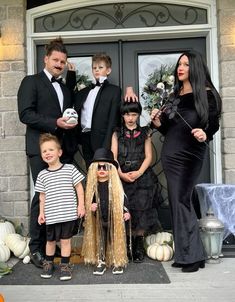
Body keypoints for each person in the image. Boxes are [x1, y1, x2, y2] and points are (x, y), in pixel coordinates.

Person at [151, 50, 222, 272]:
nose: (180, 68)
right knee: (178, 200)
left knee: (182, 199)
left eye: (186, 64)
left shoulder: (207, 93)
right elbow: (169, 128)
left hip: (191, 153)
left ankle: (191, 255)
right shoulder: (174, 96)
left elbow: (213, 124)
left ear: (196, 67)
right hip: (171, 152)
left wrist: (205, 133)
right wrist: (157, 123)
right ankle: (189, 255)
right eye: (179, 64)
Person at [17, 37, 77, 268]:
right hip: (39, 150)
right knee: (41, 197)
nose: (59, 64)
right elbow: (25, 114)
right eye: (56, 60)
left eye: (63, 61)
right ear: (46, 58)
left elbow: (68, 109)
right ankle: (36, 249)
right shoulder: (30, 81)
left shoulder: (63, 87)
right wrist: (55, 123)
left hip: (63, 150)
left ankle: (57, 245)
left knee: (60, 197)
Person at [111, 101, 160, 263]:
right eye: (127, 114)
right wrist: (121, 174)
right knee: (126, 209)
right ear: (122, 116)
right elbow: (113, 156)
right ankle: (127, 244)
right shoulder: (117, 133)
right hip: (122, 175)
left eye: (133, 114)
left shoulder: (145, 133)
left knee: (141, 210)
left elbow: (149, 156)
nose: (130, 118)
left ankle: (138, 244)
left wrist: (139, 172)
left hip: (142, 177)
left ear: (138, 115)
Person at [35, 133, 85, 281]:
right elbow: (42, 196)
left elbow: (79, 189)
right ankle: (48, 264)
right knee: (50, 241)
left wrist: (80, 206)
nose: (47, 153)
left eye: (51, 149)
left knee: (65, 241)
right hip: (51, 215)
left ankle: (64, 266)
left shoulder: (69, 169)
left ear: (59, 152)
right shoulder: (42, 175)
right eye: (44, 151)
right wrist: (41, 213)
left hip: (68, 214)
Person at [82, 148, 130, 275]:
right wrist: (91, 207)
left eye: (105, 168)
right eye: (99, 168)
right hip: (99, 219)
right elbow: (90, 201)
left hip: (114, 220)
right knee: (101, 241)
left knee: (114, 240)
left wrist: (126, 211)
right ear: (94, 170)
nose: (102, 170)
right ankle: (101, 261)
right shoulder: (93, 187)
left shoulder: (116, 186)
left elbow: (123, 199)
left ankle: (117, 261)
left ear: (111, 170)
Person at [72, 53, 122, 168]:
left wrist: (107, 143)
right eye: (94, 68)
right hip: (85, 137)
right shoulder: (84, 92)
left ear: (108, 70)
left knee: (104, 171)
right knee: (90, 170)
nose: (96, 70)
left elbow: (113, 119)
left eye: (100, 67)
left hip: (102, 138)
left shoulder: (114, 91)